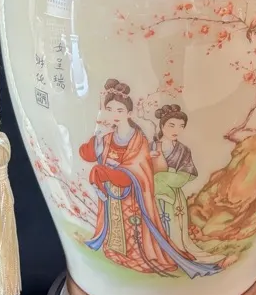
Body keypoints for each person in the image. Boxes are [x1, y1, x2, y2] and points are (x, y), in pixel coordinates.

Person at [79, 79, 219, 278]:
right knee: (116, 228)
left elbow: (137, 168)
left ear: (129, 113)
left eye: (120, 110)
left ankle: (137, 256)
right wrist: (97, 137)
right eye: (110, 109)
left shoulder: (138, 139)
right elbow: (87, 155)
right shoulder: (107, 137)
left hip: (132, 193)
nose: (114, 114)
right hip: (112, 191)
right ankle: (116, 252)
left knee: (134, 229)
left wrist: (109, 172)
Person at [151, 104, 198, 255]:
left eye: (181, 126)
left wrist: (163, 178)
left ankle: (175, 251)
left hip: (174, 194)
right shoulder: (150, 147)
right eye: (171, 125)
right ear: (162, 126)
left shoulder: (183, 150)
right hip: (150, 193)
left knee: (173, 225)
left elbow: (186, 173)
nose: (176, 130)